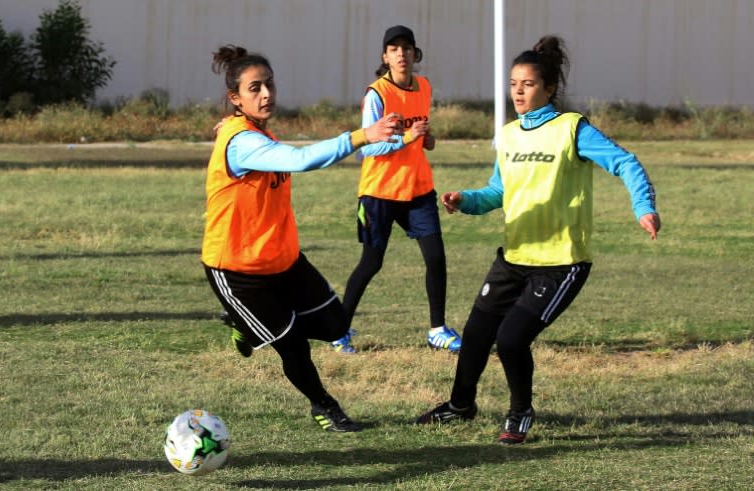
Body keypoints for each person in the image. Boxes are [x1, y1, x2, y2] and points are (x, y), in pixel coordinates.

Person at [415, 35, 661, 444]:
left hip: (560, 263)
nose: (518, 92)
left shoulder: (571, 128)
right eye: (513, 84)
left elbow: (626, 162)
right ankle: (460, 405)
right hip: (514, 257)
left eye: (527, 84)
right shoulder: (509, 135)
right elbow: (499, 192)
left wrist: (644, 207)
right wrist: (466, 201)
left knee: (511, 340)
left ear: (548, 88)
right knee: (476, 334)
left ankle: (520, 412)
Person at [202, 44, 402, 432]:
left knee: (335, 326)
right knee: (293, 343)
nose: (266, 94)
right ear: (235, 99)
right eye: (255, 88)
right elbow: (299, 160)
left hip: (284, 260)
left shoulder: (252, 131)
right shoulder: (241, 141)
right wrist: (362, 135)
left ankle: (248, 324)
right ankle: (324, 407)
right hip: (238, 268)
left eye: (269, 85)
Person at [332, 25, 462, 354]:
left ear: (415, 54)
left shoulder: (425, 87)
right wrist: (407, 137)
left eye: (406, 47)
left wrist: (426, 140)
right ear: (385, 57)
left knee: (436, 257)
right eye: (394, 48)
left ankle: (437, 331)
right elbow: (368, 148)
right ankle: (338, 330)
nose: (401, 54)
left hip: (418, 189)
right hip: (379, 192)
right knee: (371, 263)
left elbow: (420, 135)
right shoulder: (377, 94)